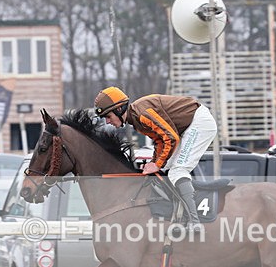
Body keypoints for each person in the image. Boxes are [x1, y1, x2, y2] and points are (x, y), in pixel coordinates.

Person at [93, 86, 217, 231]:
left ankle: (194, 222)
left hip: (199, 123)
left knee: (178, 171)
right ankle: (179, 215)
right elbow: (159, 141)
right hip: (186, 127)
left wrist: (156, 164)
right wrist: (153, 163)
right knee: (165, 168)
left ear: (119, 109)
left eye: (108, 116)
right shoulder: (136, 120)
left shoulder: (142, 114)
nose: (108, 122)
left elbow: (170, 138)